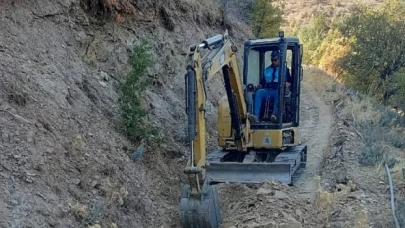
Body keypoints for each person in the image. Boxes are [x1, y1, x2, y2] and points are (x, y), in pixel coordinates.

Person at [249, 50, 291, 123]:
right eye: (272, 60)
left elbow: (290, 82)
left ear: (279, 59)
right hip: (267, 90)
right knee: (259, 92)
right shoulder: (267, 70)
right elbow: (262, 82)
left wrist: (286, 84)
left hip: (277, 91)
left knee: (279, 92)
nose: (273, 62)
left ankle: (274, 115)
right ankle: (256, 116)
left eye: (275, 60)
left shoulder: (285, 70)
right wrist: (259, 86)